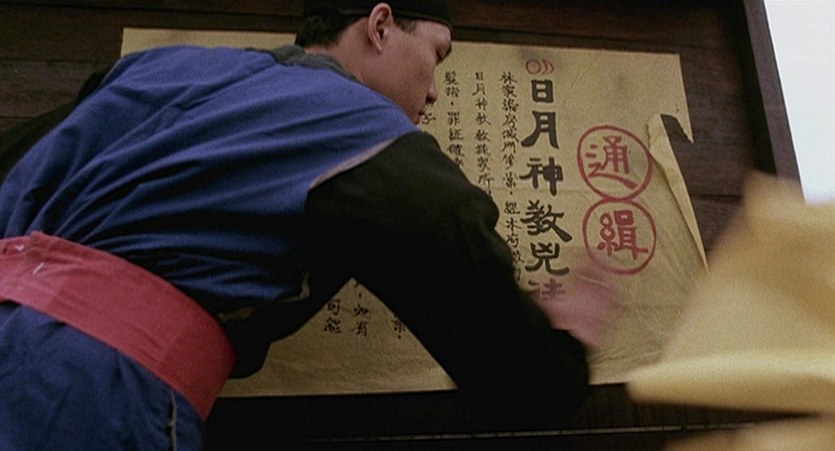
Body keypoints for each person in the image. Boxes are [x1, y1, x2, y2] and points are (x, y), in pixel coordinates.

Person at [0, 1, 612, 449]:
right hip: (84, 393)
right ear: (380, 26)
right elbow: (443, 224)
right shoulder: (356, 125)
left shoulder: (158, 68)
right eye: (437, 55)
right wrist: (558, 355)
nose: (434, 94)